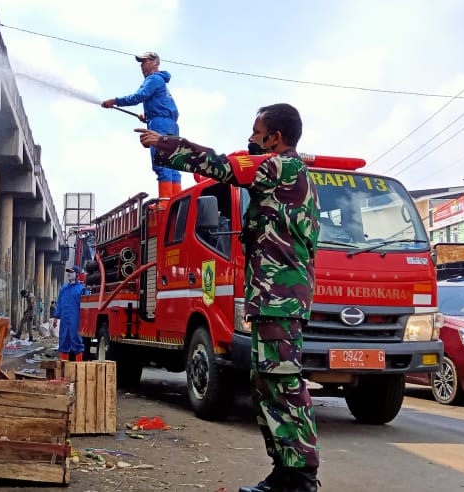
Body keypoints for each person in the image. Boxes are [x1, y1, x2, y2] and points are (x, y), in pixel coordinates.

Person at [136, 103, 320, 492]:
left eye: (257, 132)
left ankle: (300, 476)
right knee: (266, 383)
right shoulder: (279, 174)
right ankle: (284, 473)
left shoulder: (281, 167)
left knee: (283, 384)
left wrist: (165, 144)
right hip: (272, 298)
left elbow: (223, 166)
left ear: (277, 138)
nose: (251, 138)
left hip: (281, 299)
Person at [102, 51, 182, 199]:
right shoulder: (161, 81)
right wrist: (148, 116)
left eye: (144, 62)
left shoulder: (153, 79)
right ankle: (176, 202)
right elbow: (163, 106)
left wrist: (115, 101)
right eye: (141, 63)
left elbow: (139, 96)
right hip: (170, 125)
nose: (141, 66)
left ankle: (166, 204)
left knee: (162, 164)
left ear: (154, 63)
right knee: (172, 164)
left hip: (160, 124)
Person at [53, 266, 88, 361]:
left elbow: (86, 307)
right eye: (68, 272)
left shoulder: (82, 290)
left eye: (71, 272)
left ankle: (79, 366)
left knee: (77, 341)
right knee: (63, 341)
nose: (68, 274)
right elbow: (59, 303)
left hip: (76, 320)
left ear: (77, 274)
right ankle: (63, 368)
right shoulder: (63, 289)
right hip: (64, 320)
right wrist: (55, 318)